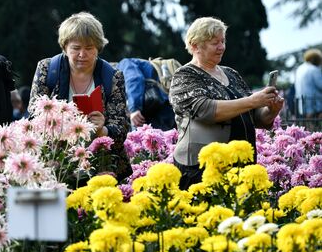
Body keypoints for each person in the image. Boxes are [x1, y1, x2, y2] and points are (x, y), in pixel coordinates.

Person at [169, 17, 284, 190]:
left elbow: (255, 117)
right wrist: (253, 100)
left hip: (241, 165)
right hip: (202, 169)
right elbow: (205, 110)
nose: (221, 47)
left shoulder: (231, 74)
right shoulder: (184, 75)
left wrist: (271, 110)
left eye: (223, 41)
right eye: (215, 43)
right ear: (194, 45)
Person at [29, 12, 131, 181]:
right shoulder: (47, 68)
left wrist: (103, 129)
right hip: (56, 163)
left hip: (100, 164)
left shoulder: (113, 76)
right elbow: (34, 115)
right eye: (76, 48)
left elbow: (122, 127)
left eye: (89, 48)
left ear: (98, 48)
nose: (82, 54)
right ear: (64, 47)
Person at [117, 58, 176, 131]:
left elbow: (133, 79)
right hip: (170, 108)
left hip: (161, 106)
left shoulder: (123, 64)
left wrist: (134, 109)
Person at [294, 48, 322, 119]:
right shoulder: (314, 69)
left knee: (308, 123)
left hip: (302, 100)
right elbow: (320, 85)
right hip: (314, 101)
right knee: (315, 122)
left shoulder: (300, 68)